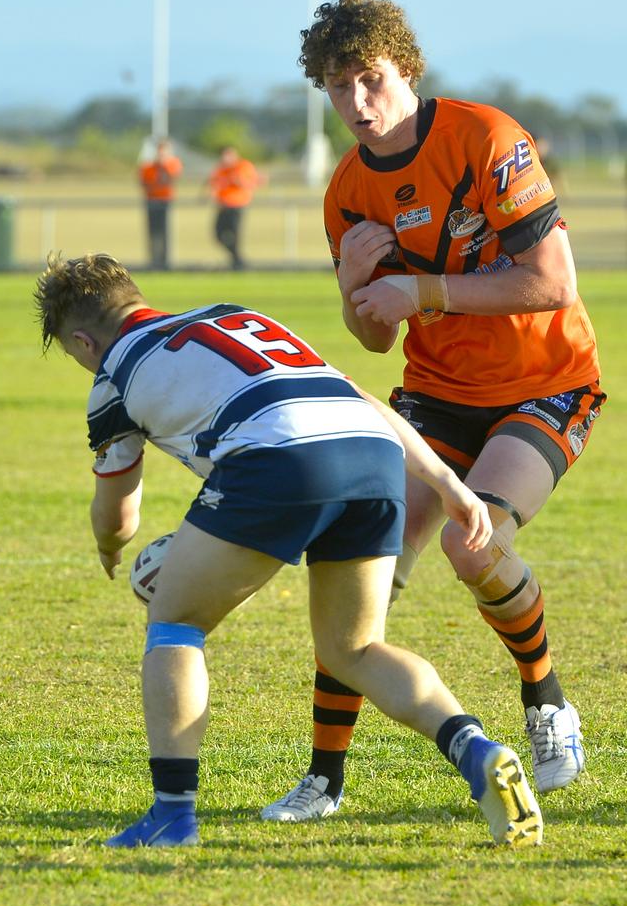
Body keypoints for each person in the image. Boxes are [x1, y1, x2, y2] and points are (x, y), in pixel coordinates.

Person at [33, 251, 544, 849]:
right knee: (356, 646)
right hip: (372, 452)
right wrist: (447, 483)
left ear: (81, 340)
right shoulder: (234, 316)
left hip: (279, 458)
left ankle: (172, 816)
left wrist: (110, 549)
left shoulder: (112, 375)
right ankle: (477, 751)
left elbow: (119, 514)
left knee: (174, 621)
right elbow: (357, 396)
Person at [260, 0, 605, 823]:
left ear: (406, 68)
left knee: (474, 540)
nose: (357, 103)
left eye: (370, 79)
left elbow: (551, 281)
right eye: (339, 87)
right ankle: (324, 780)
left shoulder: (486, 139)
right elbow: (375, 336)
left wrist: (422, 288)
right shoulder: (347, 191)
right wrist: (353, 291)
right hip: (434, 395)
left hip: (545, 382)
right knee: (356, 560)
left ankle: (547, 701)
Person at [207, 146, 262, 269]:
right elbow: (214, 183)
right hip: (223, 206)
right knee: (218, 235)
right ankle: (237, 258)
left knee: (235, 235)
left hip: (237, 205)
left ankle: (237, 262)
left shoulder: (243, 166)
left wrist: (239, 181)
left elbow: (254, 182)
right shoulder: (221, 169)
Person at [138, 139, 183, 270]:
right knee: (153, 231)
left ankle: (164, 261)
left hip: (164, 200)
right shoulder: (148, 167)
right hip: (151, 200)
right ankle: (154, 260)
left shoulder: (172, 164)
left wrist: (163, 165)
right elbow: (144, 182)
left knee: (164, 232)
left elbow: (172, 177)